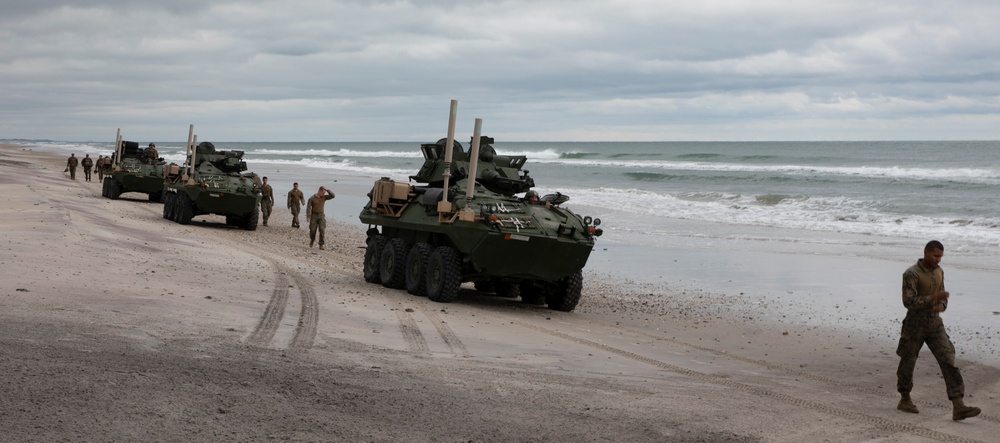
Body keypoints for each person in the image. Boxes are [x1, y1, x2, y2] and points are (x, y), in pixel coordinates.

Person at [895, 240, 981, 421]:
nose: (938, 259)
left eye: (940, 256)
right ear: (925, 253)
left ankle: (958, 405)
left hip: (935, 324)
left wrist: (942, 305)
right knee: (908, 361)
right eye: (935, 256)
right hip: (914, 324)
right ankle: (905, 398)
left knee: (948, 359)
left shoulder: (939, 271)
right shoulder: (911, 274)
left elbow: (943, 296)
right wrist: (933, 299)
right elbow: (908, 301)